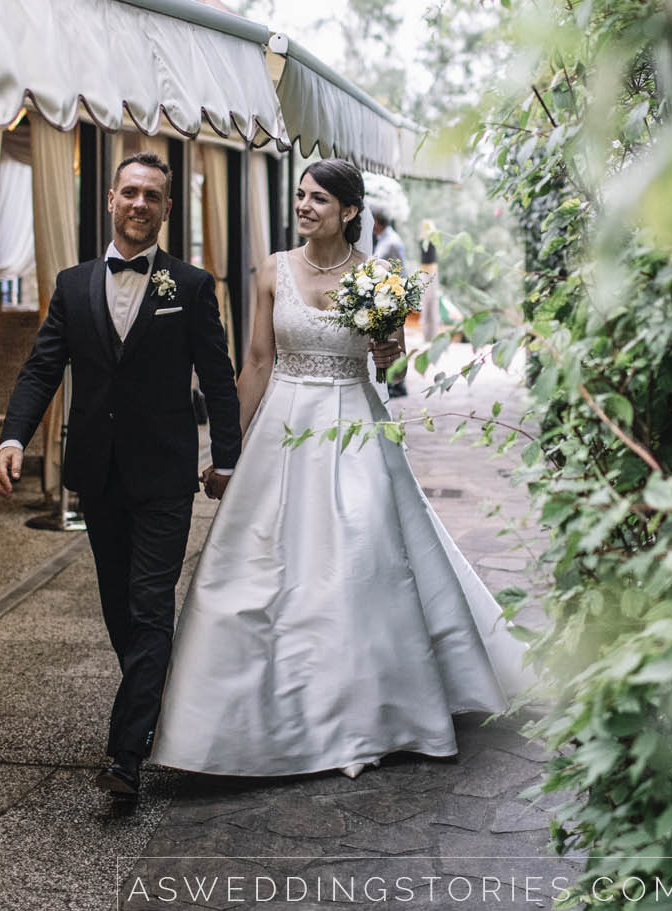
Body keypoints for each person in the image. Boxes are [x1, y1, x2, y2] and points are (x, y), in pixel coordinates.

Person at [147, 159, 528, 780]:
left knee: (361, 555)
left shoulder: (378, 277)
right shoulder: (273, 269)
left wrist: (388, 346)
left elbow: (392, 360)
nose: (304, 206)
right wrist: (226, 452)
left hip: (355, 425)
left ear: (349, 211)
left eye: (318, 198)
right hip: (284, 427)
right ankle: (257, 715)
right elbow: (258, 362)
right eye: (300, 195)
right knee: (264, 565)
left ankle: (369, 712)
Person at [0, 152, 241, 804]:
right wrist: (13, 436)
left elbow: (217, 377)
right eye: (129, 192)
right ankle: (160, 699)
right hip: (96, 475)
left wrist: (229, 457)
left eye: (151, 195)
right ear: (110, 199)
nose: (139, 204)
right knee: (118, 606)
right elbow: (43, 368)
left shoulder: (188, 286)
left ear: (165, 209)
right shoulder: (73, 285)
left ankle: (124, 756)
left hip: (163, 475)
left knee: (151, 602)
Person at [369, 203, 410, 398]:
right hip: (388, 291)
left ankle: (397, 383)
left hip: (391, 292)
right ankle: (395, 383)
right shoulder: (385, 238)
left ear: (377, 221)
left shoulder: (390, 241)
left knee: (392, 340)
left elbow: (385, 266)